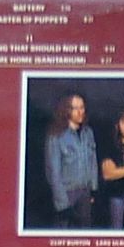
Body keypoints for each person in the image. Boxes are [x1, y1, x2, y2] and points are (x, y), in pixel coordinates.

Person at [44, 92, 98, 228]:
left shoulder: (88, 133)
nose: (80, 112)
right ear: (66, 110)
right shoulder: (56, 135)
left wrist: (93, 188)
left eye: (82, 107)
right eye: (75, 108)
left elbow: (93, 162)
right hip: (66, 193)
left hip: (85, 193)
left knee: (85, 233)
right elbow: (53, 171)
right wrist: (62, 203)